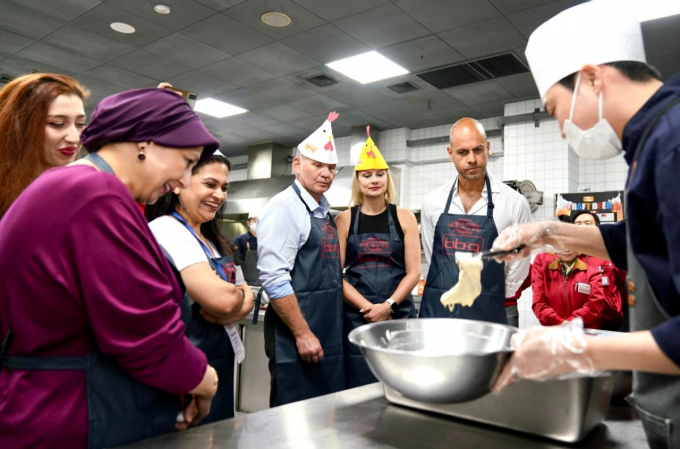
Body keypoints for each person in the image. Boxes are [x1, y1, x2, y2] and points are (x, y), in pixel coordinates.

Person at [491, 2, 680, 446]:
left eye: (556, 109)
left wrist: (578, 347)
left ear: (593, 78)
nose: (561, 129)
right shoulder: (653, 141)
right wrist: (548, 234)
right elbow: (642, 243)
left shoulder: (672, 143)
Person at [0, 88, 221, 449]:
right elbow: (143, 335)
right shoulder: (95, 195)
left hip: (59, 403)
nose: (184, 180)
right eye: (188, 161)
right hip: (76, 413)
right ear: (146, 142)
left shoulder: (74, 187)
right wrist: (204, 380)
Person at [147, 150, 254, 423]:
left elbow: (245, 295)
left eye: (224, 188)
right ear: (181, 184)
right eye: (210, 184)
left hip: (221, 360)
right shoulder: (167, 229)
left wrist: (237, 296)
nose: (219, 195)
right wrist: (235, 298)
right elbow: (224, 301)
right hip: (190, 362)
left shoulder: (213, 239)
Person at [257, 112, 346, 407]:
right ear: (297, 164)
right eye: (318, 165)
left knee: (320, 416)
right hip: (296, 333)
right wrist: (302, 333)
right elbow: (274, 277)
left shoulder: (323, 211)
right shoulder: (285, 208)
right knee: (291, 417)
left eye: (331, 168)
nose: (326, 173)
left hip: (324, 329)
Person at [419, 118, 532, 326]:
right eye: (462, 152)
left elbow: (520, 263)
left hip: (488, 314)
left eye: (478, 150)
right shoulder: (432, 202)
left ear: (487, 148)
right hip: (439, 312)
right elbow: (430, 250)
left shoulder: (514, 203)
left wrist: (492, 295)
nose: (472, 159)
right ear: (450, 154)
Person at [335, 127, 420, 388]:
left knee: (400, 380)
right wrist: (369, 309)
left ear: (387, 178)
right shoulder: (344, 219)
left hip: (398, 312)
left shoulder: (404, 217)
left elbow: (414, 272)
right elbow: (336, 275)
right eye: (367, 175)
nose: (374, 180)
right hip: (357, 315)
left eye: (380, 174)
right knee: (358, 382)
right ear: (357, 181)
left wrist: (388, 306)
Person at [0, 73, 89, 218]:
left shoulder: (84, 197)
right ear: (19, 127)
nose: (74, 138)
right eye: (57, 124)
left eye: (80, 124)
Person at [572, 210, 625, 331]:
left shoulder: (610, 254)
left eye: (587, 223)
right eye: (578, 224)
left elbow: (622, 286)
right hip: (578, 322)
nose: (582, 227)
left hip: (610, 323)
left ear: (597, 227)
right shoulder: (568, 256)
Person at [531, 249, 607, 328]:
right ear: (555, 248)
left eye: (570, 246)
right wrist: (558, 322)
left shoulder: (592, 273)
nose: (566, 250)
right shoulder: (543, 272)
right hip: (552, 331)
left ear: (577, 247)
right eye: (562, 246)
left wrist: (571, 322)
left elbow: (594, 305)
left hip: (583, 332)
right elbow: (539, 304)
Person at [232, 213, 260, 285]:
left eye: (260, 221)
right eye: (254, 220)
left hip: (266, 283)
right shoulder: (239, 240)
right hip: (247, 284)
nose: (257, 223)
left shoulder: (267, 240)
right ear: (248, 223)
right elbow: (236, 263)